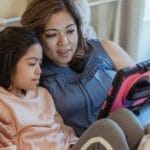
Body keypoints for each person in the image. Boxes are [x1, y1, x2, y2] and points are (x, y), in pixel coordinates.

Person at [0, 26, 145, 150]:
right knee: (106, 129)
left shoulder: (42, 94)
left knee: (124, 117)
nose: (39, 70)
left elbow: (64, 130)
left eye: (40, 63)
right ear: (9, 63)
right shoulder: (3, 104)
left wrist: (76, 143)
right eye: (32, 64)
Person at [21, 0, 136, 137]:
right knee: (111, 127)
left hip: (128, 130)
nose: (64, 41)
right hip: (84, 143)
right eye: (52, 34)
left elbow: (142, 83)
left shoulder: (104, 48)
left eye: (70, 31)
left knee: (127, 119)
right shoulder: (35, 77)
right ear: (37, 38)